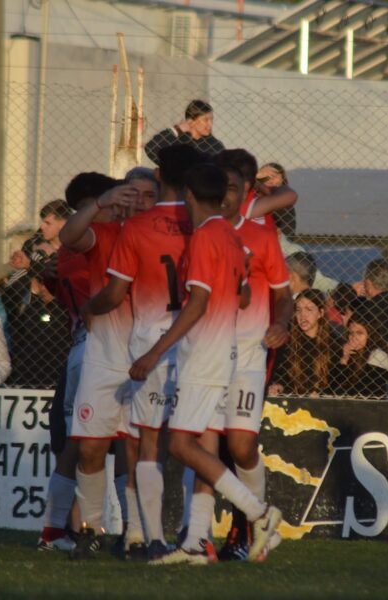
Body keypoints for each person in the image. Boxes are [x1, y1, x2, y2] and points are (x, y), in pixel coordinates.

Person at [127, 163, 281, 565]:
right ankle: (196, 541)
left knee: (179, 444)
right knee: (206, 443)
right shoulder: (232, 237)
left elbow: (196, 303)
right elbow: (243, 296)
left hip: (205, 354)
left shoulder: (204, 237)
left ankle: (259, 512)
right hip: (226, 350)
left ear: (191, 196)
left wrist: (155, 351)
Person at [82, 144, 205, 560]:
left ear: (160, 175)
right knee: (197, 442)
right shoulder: (203, 225)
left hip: (151, 344)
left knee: (147, 443)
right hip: (197, 342)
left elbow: (115, 293)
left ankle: (152, 538)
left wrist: (89, 307)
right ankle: (195, 538)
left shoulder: (136, 228)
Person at [54, 169, 158, 559]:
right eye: (134, 194)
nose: (140, 202)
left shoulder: (164, 237)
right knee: (89, 450)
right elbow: (67, 237)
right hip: (102, 358)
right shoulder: (107, 233)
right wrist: (101, 202)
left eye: (149, 196)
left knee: (136, 451)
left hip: (146, 362)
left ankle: (135, 534)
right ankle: (89, 530)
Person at [213, 159, 293, 560]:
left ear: (247, 190)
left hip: (248, 352)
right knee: (206, 445)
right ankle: (212, 535)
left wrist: (281, 323)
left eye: (233, 187)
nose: (227, 195)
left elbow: (283, 292)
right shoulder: (203, 229)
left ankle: (250, 529)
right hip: (207, 352)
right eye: (221, 186)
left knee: (241, 446)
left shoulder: (262, 234)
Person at [34, 172, 118, 554]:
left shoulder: (69, 247)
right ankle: (82, 530)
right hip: (99, 346)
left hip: (82, 346)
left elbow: (63, 284)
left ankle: (62, 530)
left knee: (78, 442)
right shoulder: (93, 242)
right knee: (87, 444)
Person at [269, 289, 345, 397]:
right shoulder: (288, 340)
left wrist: (321, 394)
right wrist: (279, 386)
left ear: (321, 313)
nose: (302, 316)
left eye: (309, 310)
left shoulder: (334, 343)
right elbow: (282, 375)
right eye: (298, 310)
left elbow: (337, 379)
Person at [327, 306, 388, 398]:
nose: (354, 337)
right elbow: (331, 386)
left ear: (370, 334)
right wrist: (344, 360)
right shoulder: (350, 354)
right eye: (351, 333)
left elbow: (363, 391)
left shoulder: (378, 355)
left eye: (359, 333)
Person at [144, 99, 225, 165]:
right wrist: (177, 129)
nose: (210, 124)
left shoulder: (215, 146)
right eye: (206, 120)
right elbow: (151, 148)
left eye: (211, 119)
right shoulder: (177, 141)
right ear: (191, 121)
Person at [256, 162, 296, 238]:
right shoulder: (251, 198)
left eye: (274, 176)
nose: (270, 179)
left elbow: (288, 230)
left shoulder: (284, 203)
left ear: (282, 180)